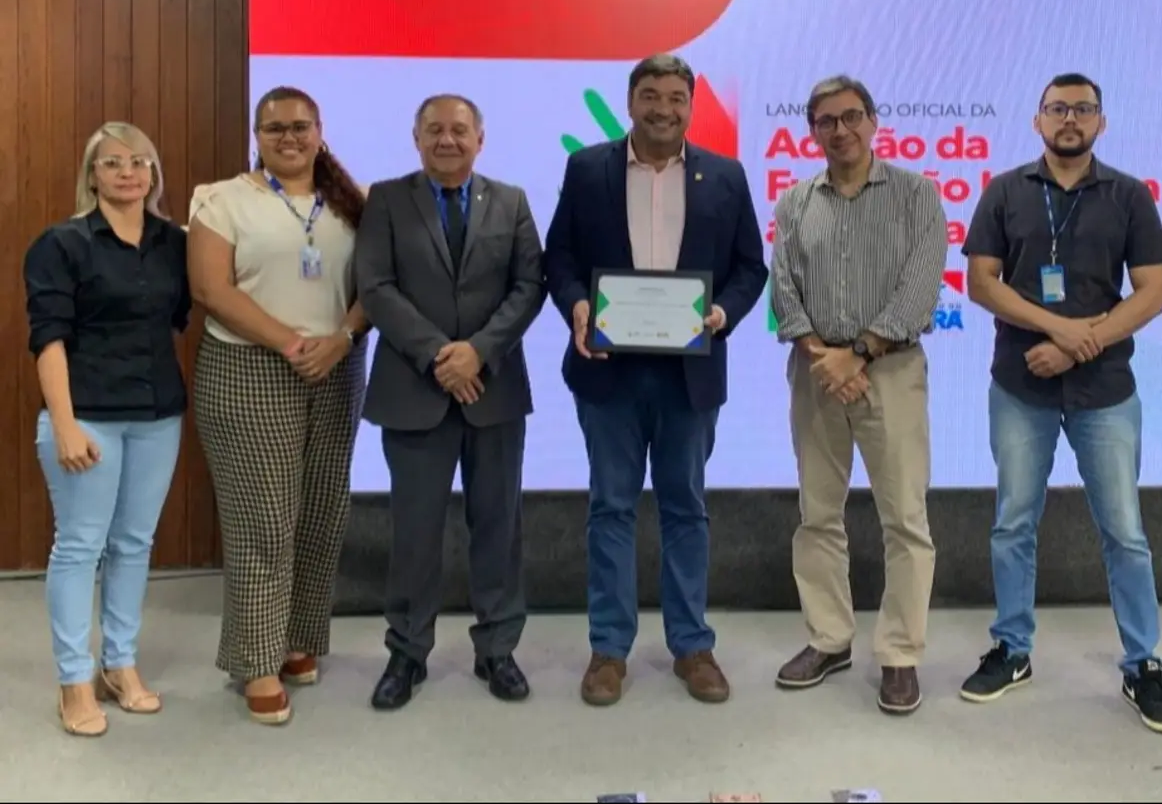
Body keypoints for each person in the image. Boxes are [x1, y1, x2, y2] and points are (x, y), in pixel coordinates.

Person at [959, 73, 1162, 735]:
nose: (1070, 119)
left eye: (1083, 109)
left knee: (1125, 532)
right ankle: (1012, 648)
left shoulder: (1130, 195)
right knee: (1013, 523)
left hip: (1104, 387)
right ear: (1037, 120)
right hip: (1021, 381)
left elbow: (1152, 292)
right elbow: (981, 283)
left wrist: (1081, 344)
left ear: (1101, 123)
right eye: (1057, 109)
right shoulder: (1005, 190)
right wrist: (1057, 329)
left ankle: (1143, 663)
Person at [544, 54, 768, 707]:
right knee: (610, 508)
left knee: (685, 509)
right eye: (650, 95)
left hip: (689, 374)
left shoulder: (725, 175)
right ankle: (608, 649)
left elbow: (750, 267)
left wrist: (722, 312)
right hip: (607, 373)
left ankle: (692, 645)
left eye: (675, 97)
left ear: (690, 106)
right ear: (630, 100)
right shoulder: (587, 168)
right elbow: (560, 256)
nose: (662, 108)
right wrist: (576, 304)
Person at [188, 86, 370, 725]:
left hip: (337, 367)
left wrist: (341, 338)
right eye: (274, 128)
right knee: (262, 521)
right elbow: (211, 288)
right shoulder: (222, 200)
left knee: (322, 513)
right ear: (257, 135)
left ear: (320, 132)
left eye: (300, 126)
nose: (288, 138)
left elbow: (378, 286)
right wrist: (292, 344)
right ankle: (256, 662)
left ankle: (297, 640)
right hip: (249, 367)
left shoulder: (354, 202)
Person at [358, 94, 545, 710]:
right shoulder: (387, 200)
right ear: (416, 139)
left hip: (494, 391)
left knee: (499, 527)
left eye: (459, 130)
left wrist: (479, 353)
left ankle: (498, 649)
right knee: (414, 531)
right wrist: (442, 355)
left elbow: (529, 286)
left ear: (479, 139)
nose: (447, 140)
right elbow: (375, 287)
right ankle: (406, 653)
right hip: (415, 391)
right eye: (434, 129)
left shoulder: (512, 202)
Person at [768, 75, 946, 715]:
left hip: (890, 370)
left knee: (905, 519)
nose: (839, 130)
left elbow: (921, 286)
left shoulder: (917, 195)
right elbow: (783, 289)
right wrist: (826, 357)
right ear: (811, 131)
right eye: (826, 121)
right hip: (816, 371)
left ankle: (899, 653)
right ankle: (828, 639)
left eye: (850, 117)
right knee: (817, 515)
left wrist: (860, 353)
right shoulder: (794, 203)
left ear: (873, 121)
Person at [24, 122, 190, 738]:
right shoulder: (61, 244)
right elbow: (48, 339)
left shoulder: (175, 243)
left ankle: (119, 665)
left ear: (154, 175)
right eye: (113, 162)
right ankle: (74, 679)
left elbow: (179, 316)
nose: (128, 172)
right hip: (87, 416)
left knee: (133, 544)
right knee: (79, 546)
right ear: (92, 175)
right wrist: (65, 426)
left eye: (140, 161)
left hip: (157, 416)